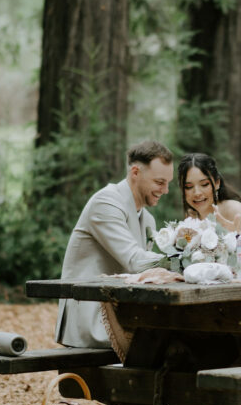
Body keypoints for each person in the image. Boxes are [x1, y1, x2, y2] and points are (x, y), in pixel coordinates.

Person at [55, 140, 173, 349]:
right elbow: (134, 261)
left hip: (122, 311)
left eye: (168, 183)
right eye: (159, 182)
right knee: (171, 340)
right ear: (135, 172)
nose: (165, 190)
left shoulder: (147, 219)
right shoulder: (106, 202)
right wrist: (186, 259)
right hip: (91, 313)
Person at [177, 152, 241, 266]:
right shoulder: (191, 216)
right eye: (189, 187)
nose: (197, 193)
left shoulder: (233, 209)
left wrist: (237, 237)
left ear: (216, 183)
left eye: (204, 184)